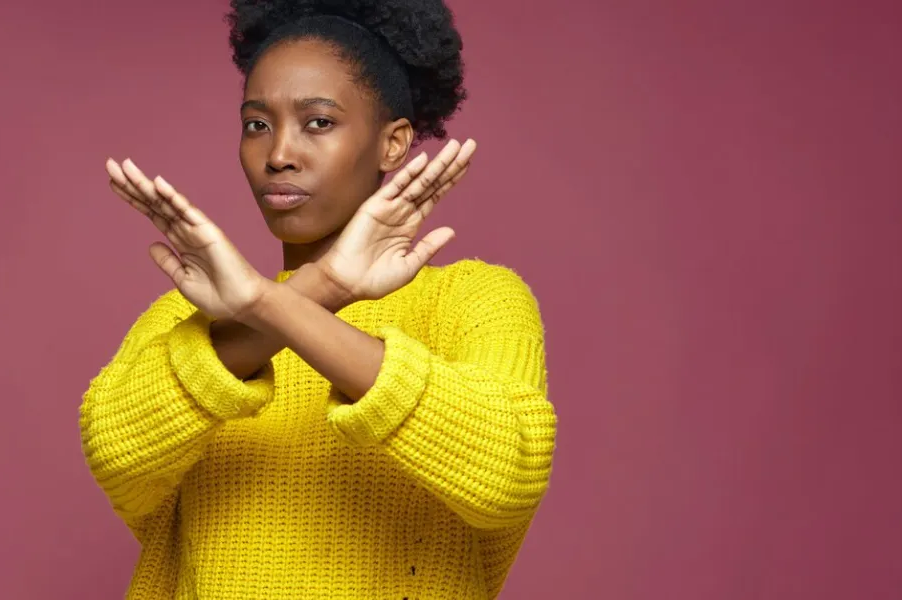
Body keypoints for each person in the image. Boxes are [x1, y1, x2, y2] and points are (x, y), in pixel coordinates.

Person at [79, 1, 558, 597]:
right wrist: (320, 289)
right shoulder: (188, 319)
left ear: (393, 144)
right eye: (257, 124)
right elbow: (118, 458)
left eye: (318, 122)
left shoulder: (474, 299)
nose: (278, 153)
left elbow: (505, 472)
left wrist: (266, 304)